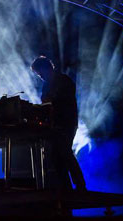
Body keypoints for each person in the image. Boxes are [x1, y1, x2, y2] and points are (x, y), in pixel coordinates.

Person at [31, 55, 86, 191]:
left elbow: (62, 102)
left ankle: (80, 186)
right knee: (56, 158)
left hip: (66, 122)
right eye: (38, 75)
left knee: (65, 152)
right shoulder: (46, 85)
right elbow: (46, 102)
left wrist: (50, 102)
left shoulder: (64, 81)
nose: (40, 76)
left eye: (40, 73)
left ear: (46, 68)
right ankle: (66, 188)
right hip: (55, 124)